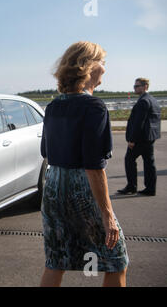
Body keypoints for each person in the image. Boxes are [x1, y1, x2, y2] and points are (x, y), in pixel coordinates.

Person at [39, 41, 129, 287]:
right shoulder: (95, 107)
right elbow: (93, 165)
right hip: (82, 187)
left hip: (54, 186)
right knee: (116, 259)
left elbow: (45, 151)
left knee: (56, 260)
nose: (105, 68)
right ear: (87, 66)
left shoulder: (53, 106)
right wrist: (107, 215)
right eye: (102, 62)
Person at [117, 78, 161, 196]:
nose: (135, 88)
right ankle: (151, 189)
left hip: (140, 139)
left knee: (129, 160)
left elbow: (138, 123)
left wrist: (132, 140)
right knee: (149, 162)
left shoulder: (143, 101)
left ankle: (132, 186)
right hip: (150, 138)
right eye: (134, 86)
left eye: (137, 86)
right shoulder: (153, 100)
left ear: (145, 86)